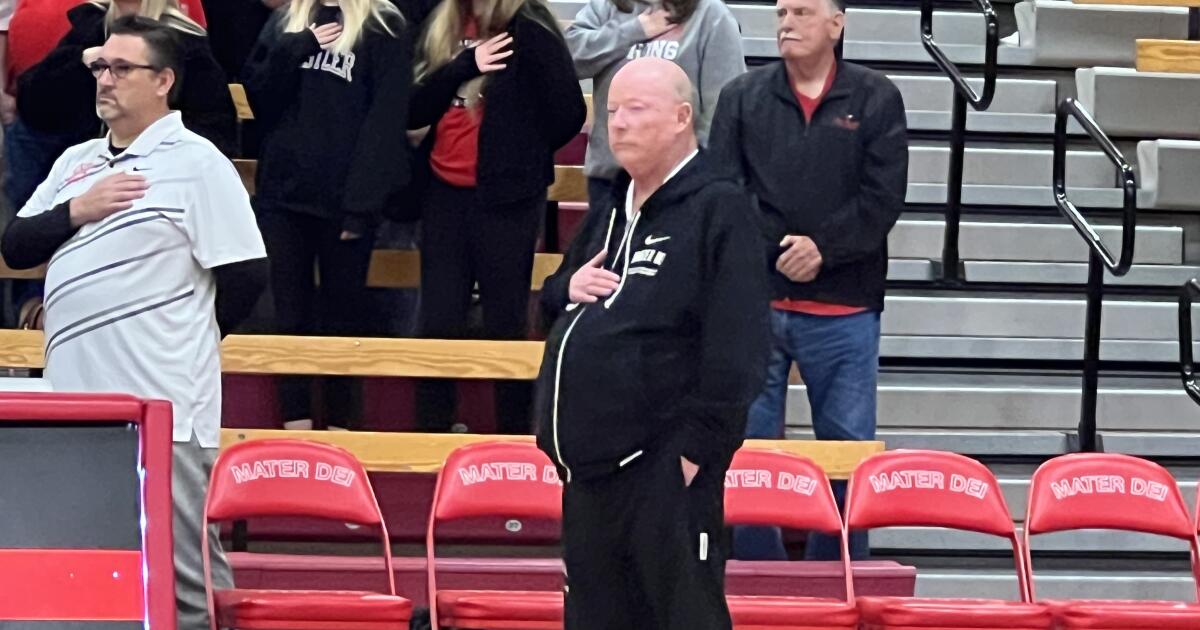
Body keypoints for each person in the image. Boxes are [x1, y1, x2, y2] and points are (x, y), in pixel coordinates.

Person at [0, 16, 268, 629]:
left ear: (163, 81)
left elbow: (247, 275)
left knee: (186, 574)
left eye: (122, 69)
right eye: (99, 67)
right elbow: (15, 244)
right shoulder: (77, 160)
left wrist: (190, 336)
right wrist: (77, 210)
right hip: (76, 404)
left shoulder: (198, 162)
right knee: (88, 563)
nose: (105, 80)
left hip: (163, 402)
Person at [535, 58, 768, 630]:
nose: (617, 125)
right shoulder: (610, 209)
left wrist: (692, 452)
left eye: (635, 110)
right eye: (611, 111)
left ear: (682, 118)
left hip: (664, 469)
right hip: (589, 474)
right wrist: (567, 285)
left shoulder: (720, 207)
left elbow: (738, 346)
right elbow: (553, 298)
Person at [708, 0, 908, 561]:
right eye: (780, 12)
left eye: (801, 11)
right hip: (755, 301)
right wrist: (779, 251)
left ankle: (839, 581)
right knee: (750, 453)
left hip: (845, 308)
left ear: (837, 24)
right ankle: (755, 578)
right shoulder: (741, 97)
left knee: (847, 451)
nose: (786, 23)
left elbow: (883, 197)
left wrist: (825, 249)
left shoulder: (877, 98)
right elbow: (723, 191)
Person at [409, 0, 584, 434]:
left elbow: (568, 113)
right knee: (438, 319)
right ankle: (432, 432)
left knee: (505, 320)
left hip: (507, 200)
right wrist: (462, 66)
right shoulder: (438, 22)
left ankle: (512, 436)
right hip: (443, 193)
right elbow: (412, 108)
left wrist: (520, 151)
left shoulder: (532, 28)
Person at [243, 0, 411, 431]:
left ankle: (341, 426)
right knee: (289, 314)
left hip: (347, 203)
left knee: (344, 315)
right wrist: (296, 46)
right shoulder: (287, 20)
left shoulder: (383, 26)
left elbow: (386, 120)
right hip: (284, 197)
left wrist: (361, 205)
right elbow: (260, 97)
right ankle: (294, 423)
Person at [565, 0, 744, 216]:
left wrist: (699, 174)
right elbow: (566, 59)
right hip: (611, 177)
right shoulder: (606, 7)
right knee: (606, 250)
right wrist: (634, 30)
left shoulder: (711, 15)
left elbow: (724, 109)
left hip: (681, 181)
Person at [16, 0, 232, 161]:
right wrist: (81, 63)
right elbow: (35, 107)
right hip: (82, 166)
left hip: (155, 177)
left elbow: (212, 129)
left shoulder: (184, 43)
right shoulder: (91, 28)